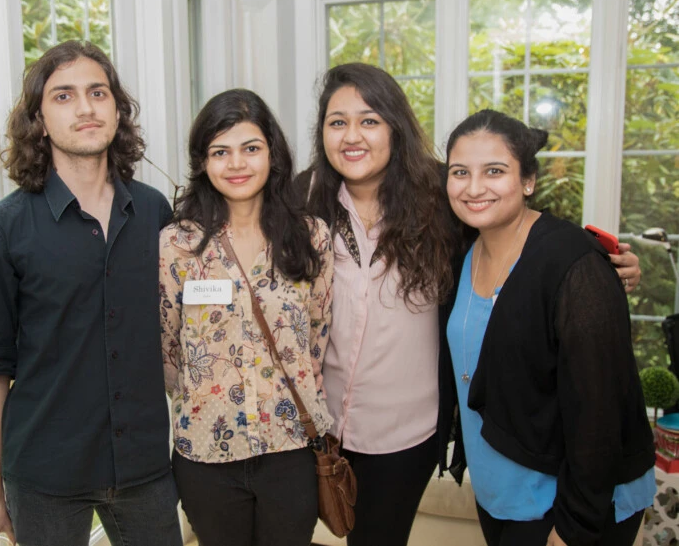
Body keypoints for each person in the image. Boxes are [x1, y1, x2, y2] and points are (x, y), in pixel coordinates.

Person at [295, 62, 644, 546]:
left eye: (369, 119)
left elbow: (517, 219)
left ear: (396, 126)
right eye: (338, 122)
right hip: (321, 422)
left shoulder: (441, 194)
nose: (353, 135)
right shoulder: (301, 198)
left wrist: (599, 262)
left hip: (406, 428)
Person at [0, 41, 182, 546]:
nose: (85, 108)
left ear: (116, 109)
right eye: (63, 96)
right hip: (45, 475)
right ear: (38, 120)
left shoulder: (155, 214)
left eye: (97, 92)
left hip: (144, 465)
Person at [444, 108, 655, 546]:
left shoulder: (574, 264)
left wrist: (574, 527)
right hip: (498, 490)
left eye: (495, 171)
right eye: (460, 172)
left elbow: (600, 412)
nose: (475, 187)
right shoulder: (464, 250)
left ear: (528, 182)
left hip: (568, 504)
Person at [159, 89, 334, 546]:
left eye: (250, 148)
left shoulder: (311, 236)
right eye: (221, 152)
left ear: (272, 155)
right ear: (203, 162)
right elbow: (168, 348)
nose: (236, 164)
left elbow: (317, 336)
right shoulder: (177, 245)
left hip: (291, 448)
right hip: (206, 450)